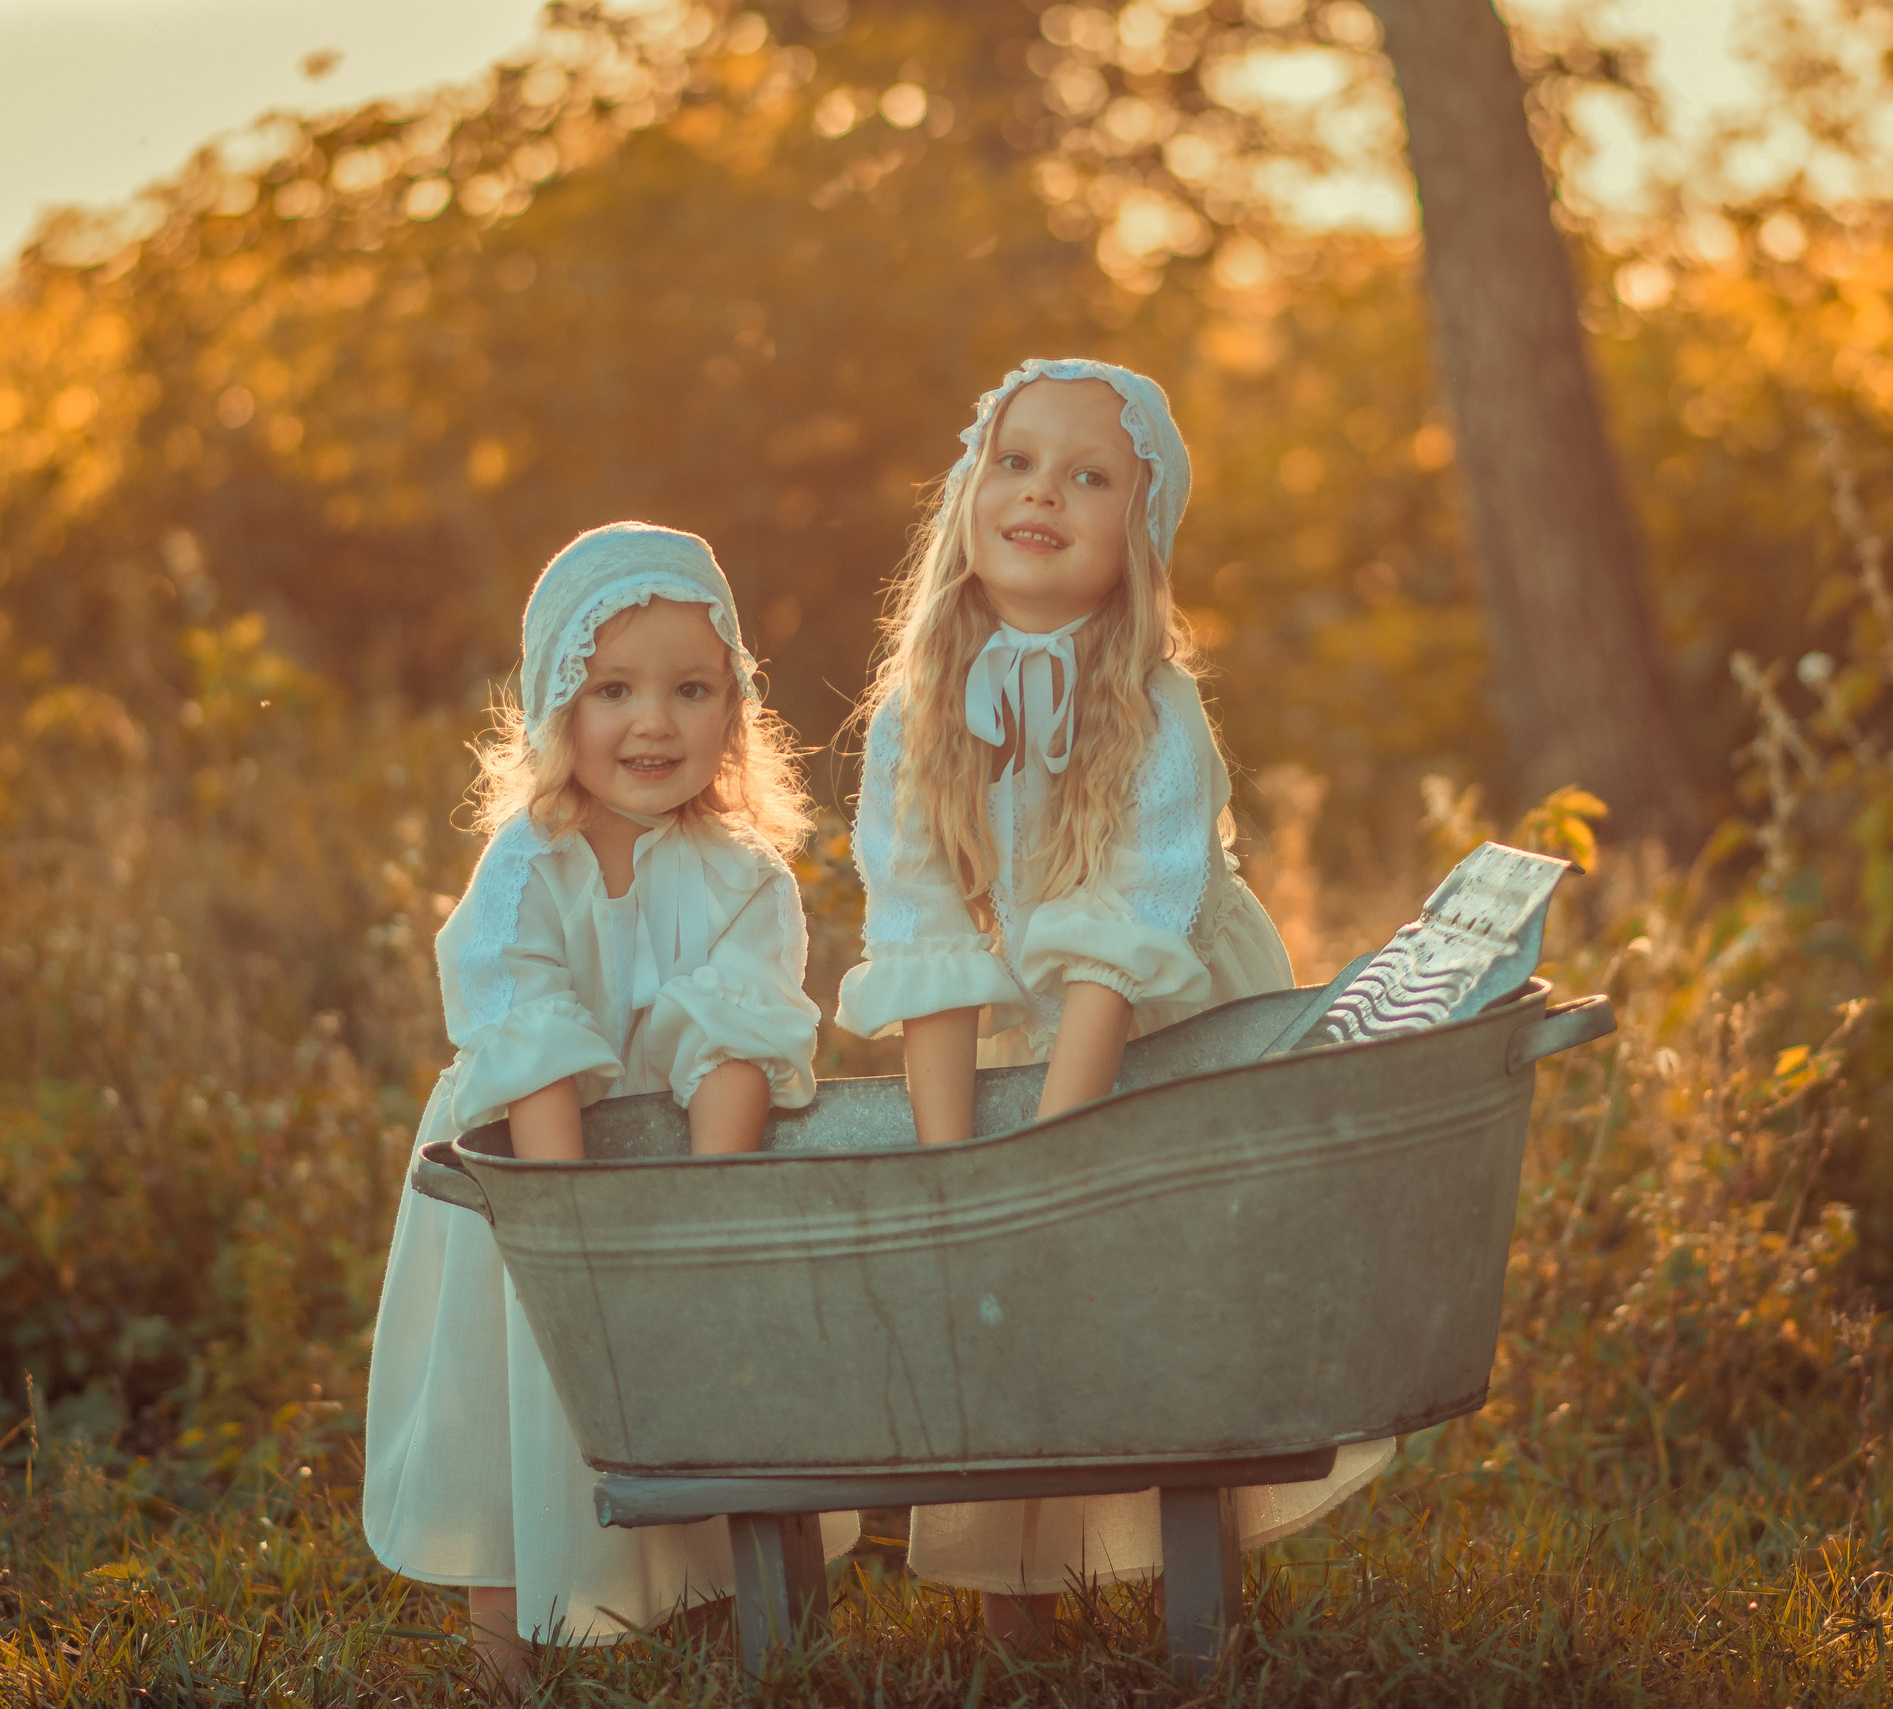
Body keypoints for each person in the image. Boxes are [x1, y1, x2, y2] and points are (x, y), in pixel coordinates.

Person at [836, 359, 1394, 1651]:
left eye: (1090, 476)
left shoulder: (1156, 708)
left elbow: (1128, 940)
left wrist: (1056, 1157)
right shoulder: (911, 716)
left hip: (1178, 1013)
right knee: (1004, 1296)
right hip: (1038, 1017)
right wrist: (956, 1174)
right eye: (1018, 462)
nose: (1043, 493)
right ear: (971, 490)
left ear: (1138, 532)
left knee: (1159, 1302)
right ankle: (1015, 1621)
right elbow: (920, 931)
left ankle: (1200, 1592)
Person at [362, 523, 857, 1693]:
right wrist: (569, 1230)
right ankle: (504, 1648)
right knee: (514, 1398)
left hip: (684, 1168)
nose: (654, 722)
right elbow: (528, 1034)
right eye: (613, 689)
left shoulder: (746, 877)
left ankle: (704, 1611)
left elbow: (735, 1041)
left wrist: (692, 1213)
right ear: (554, 707)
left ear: (733, 707)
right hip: (528, 1183)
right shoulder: (525, 863)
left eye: (692, 689)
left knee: (697, 1387)